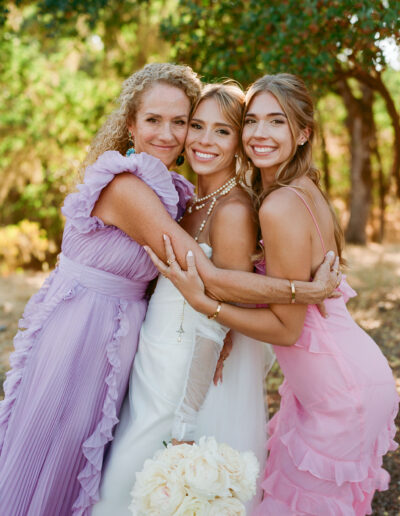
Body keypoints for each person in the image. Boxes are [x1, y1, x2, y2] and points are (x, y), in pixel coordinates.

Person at [147, 73, 399, 515]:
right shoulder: (298, 191)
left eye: (277, 122)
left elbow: (286, 329)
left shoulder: (278, 204)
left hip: (339, 390)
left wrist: (209, 305)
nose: (260, 134)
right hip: (333, 381)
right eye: (253, 121)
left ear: (303, 134)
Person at [92, 82, 275, 515]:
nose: (204, 141)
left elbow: (218, 318)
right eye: (197, 125)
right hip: (153, 363)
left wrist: (187, 417)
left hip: (184, 377)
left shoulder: (232, 212)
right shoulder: (187, 201)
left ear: (240, 144)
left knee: (128, 490)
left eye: (222, 131)